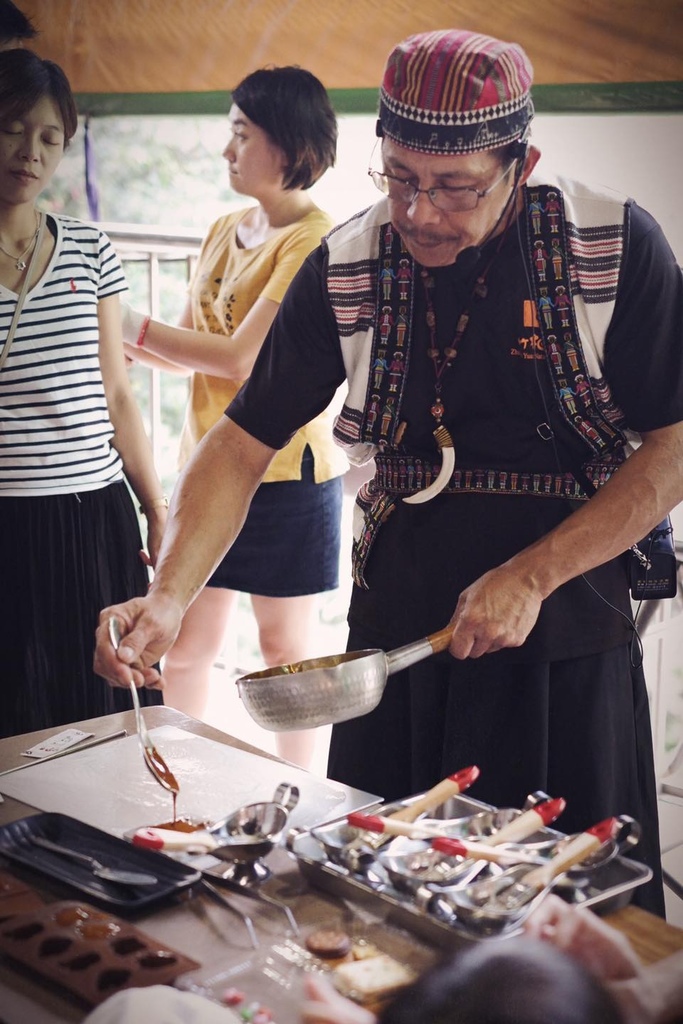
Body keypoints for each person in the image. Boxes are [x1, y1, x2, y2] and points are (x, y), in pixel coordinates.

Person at [94, 30, 683, 914]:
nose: (418, 213)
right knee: (380, 910)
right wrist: (172, 595)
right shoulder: (348, 262)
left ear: (520, 163)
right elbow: (242, 441)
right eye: (398, 177)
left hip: (565, 626)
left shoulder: (611, 242)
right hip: (400, 635)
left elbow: (671, 443)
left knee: (568, 921)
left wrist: (531, 576)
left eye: (453, 186)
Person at [120, 66, 347, 767]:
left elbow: (240, 360)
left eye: (241, 135)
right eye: (230, 133)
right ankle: (175, 784)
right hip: (211, 470)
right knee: (187, 646)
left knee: (284, 651)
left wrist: (125, 320)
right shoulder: (224, 229)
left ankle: (304, 793)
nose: (227, 150)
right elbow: (187, 349)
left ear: (289, 146)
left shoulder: (312, 238)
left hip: (288, 474)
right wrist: (112, 341)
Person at [0, 48, 167, 738]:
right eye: (12, 127)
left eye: (50, 137)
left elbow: (118, 393)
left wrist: (156, 508)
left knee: (103, 705)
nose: (30, 152)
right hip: (7, 519)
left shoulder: (89, 249)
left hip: (96, 517)